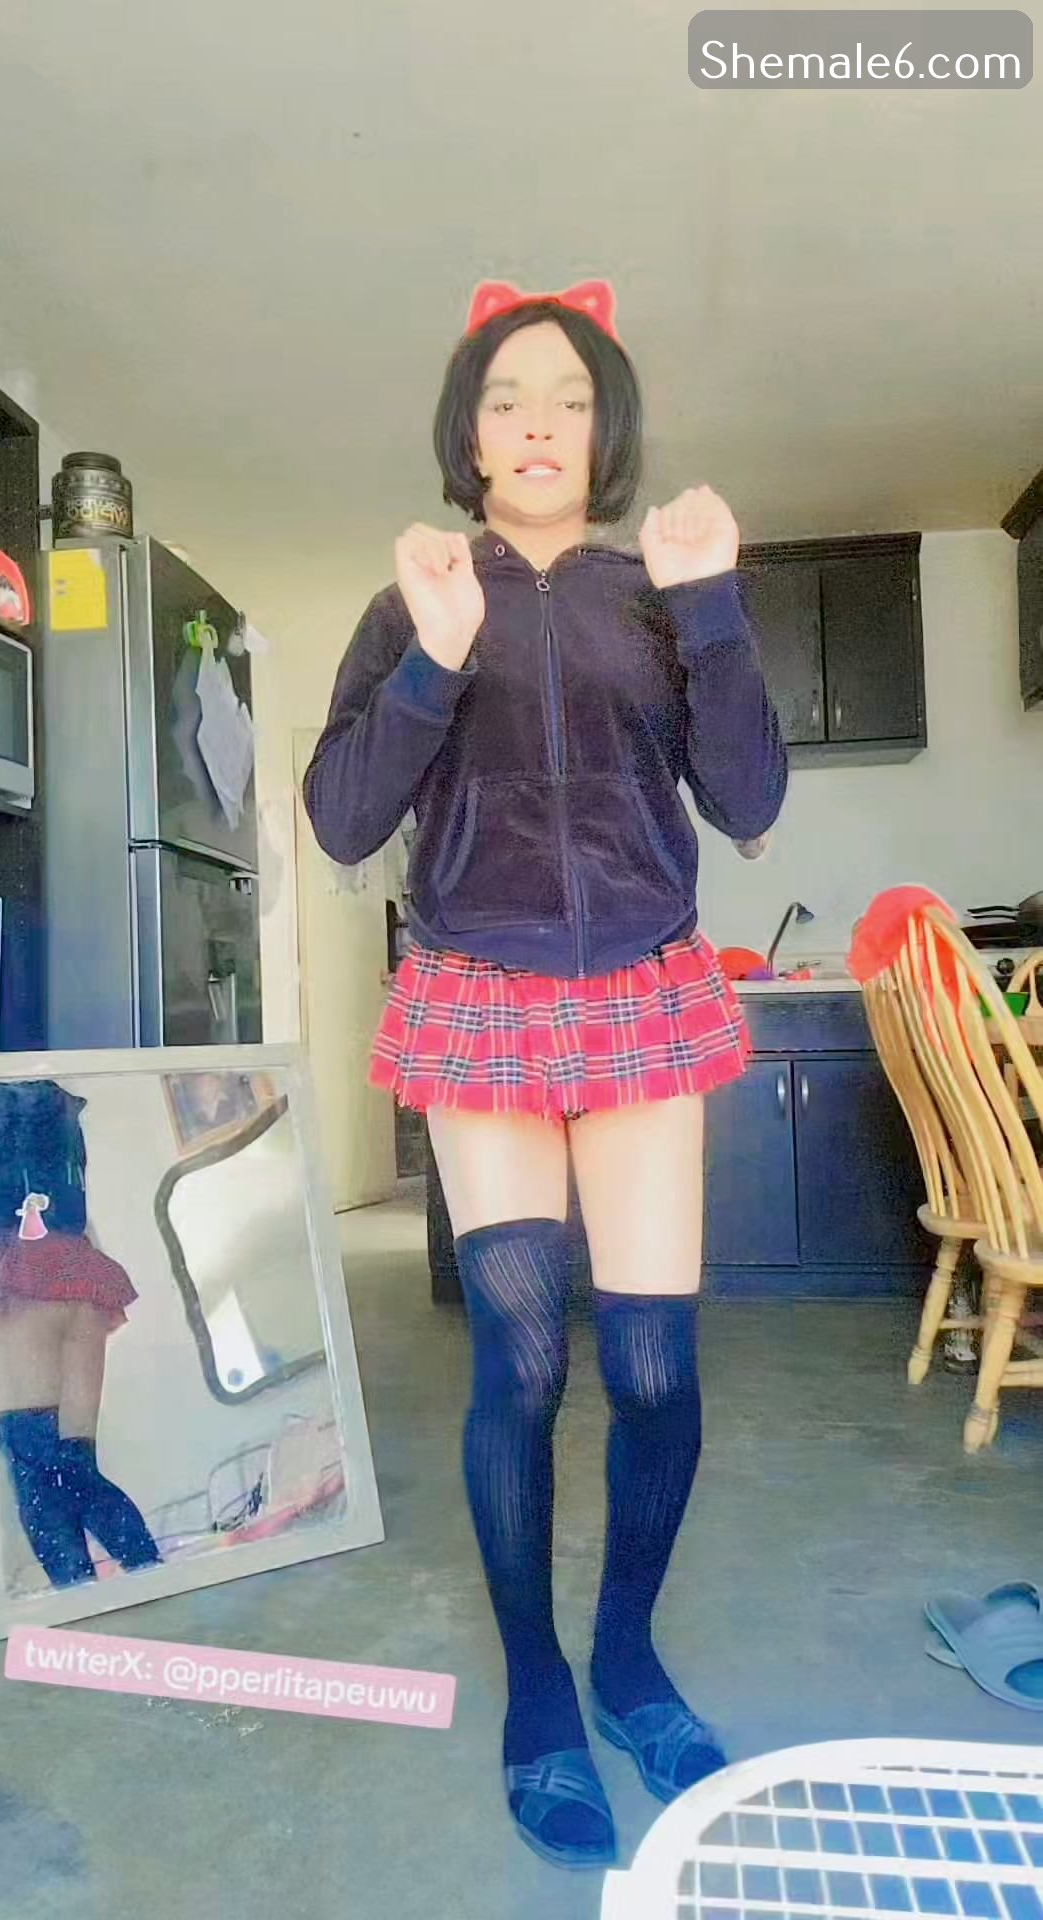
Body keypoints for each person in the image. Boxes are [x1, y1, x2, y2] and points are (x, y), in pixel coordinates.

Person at [303, 278, 787, 1870]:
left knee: (654, 1370)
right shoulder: (417, 597)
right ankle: (539, 1692)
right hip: (483, 993)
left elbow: (748, 799)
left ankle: (628, 1658)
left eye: (571, 400)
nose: (538, 424)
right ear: (469, 430)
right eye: (508, 397)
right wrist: (434, 660)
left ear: (607, 430)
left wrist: (714, 608)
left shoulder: (658, 591)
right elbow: (342, 817)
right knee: (518, 1365)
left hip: (642, 990)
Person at [0, 1080, 162, 1590]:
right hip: (80, 1266)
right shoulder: (59, 1137)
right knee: (74, 1463)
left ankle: (80, 1592)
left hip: (19, 1273)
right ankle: (147, 1570)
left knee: (35, 1467)